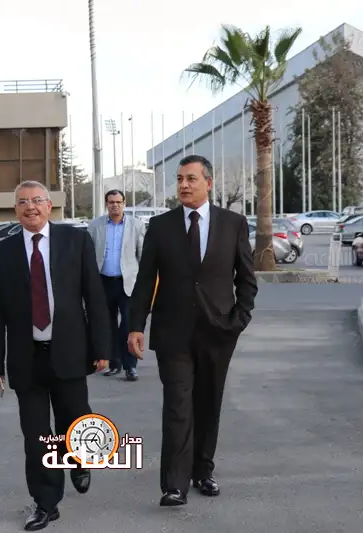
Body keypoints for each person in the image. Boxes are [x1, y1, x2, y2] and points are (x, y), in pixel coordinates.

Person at [126, 155, 258, 507]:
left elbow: (246, 278)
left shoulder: (233, 224)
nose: (183, 185)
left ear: (208, 183)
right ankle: (174, 484)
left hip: (219, 331)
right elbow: (145, 281)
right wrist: (136, 325)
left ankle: (203, 471)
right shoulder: (160, 226)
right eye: (180, 179)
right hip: (173, 333)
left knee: (208, 403)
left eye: (191, 179)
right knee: (178, 405)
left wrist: (239, 319)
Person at [0, 180, 111, 531]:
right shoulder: (1, 254)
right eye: (23, 202)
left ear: (49, 205)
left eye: (37, 200)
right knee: (36, 436)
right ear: (15, 210)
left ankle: (79, 460)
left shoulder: (75, 241)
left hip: (69, 351)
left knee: (75, 419)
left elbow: (94, 296)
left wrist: (102, 347)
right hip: (26, 358)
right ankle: (45, 502)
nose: (31, 207)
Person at [86, 189, 146, 381]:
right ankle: (114, 363)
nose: (115, 205)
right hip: (103, 282)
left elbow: (142, 255)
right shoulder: (95, 226)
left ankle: (130, 366)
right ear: (106, 204)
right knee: (108, 325)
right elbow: (88, 255)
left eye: (118, 202)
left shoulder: (136, 225)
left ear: (124, 204)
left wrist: (143, 284)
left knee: (128, 325)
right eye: (111, 202)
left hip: (128, 283)